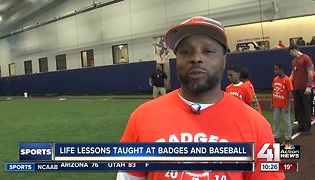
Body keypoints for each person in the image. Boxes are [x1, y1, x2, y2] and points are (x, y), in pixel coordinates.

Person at [117, 16, 284, 180]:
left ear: (223, 60)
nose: (196, 58)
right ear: (177, 61)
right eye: (186, 52)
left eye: (208, 51)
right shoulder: (141, 117)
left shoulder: (257, 125)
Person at [289, 44, 313, 135]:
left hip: (304, 88)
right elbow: (292, 73)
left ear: (294, 50)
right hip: (296, 88)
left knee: (306, 108)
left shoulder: (306, 58)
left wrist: (309, 86)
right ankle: (301, 125)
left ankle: (307, 128)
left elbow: (310, 72)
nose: (290, 54)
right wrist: (289, 83)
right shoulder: (294, 61)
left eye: (290, 52)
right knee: (298, 108)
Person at [271, 63, 293, 144]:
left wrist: (288, 104)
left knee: (286, 121)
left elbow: (290, 92)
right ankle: (276, 136)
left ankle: (288, 137)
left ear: (281, 69)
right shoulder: (275, 79)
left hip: (284, 104)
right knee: (276, 120)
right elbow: (273, 90)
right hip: (276, 103)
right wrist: (272, 102)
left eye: (276, 69)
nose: (275, 71)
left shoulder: (287, 80)